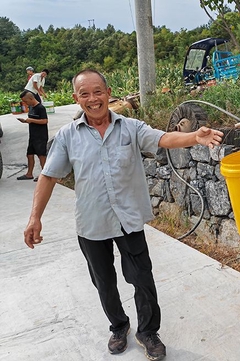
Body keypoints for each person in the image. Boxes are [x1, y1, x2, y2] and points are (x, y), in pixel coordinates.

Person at [23, 69, 224, 361]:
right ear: (76, 99)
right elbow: (48, 176)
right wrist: (34, 217)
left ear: (108, 92)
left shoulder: (130, 127)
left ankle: (147, 332)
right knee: (104, 282)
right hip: (92, 222)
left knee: (142, 279)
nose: (93, 99)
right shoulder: (68, 136)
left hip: (128, 219)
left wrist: (195, 136)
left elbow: (164, 138)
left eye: (97, 92)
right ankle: (119, 326)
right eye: (85, 94)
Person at [16, 90, 48, 181]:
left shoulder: (40, 108)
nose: (25, 103)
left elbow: (45, 121)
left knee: (41, 155)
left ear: (31, 98)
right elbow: (31, 119)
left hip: (40, 136)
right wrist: (25, 121)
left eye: (26, 101)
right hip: (33, 136)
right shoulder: (31, 107)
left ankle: (44, 175)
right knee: (29, 154)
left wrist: (31, 120)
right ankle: (29, 174)